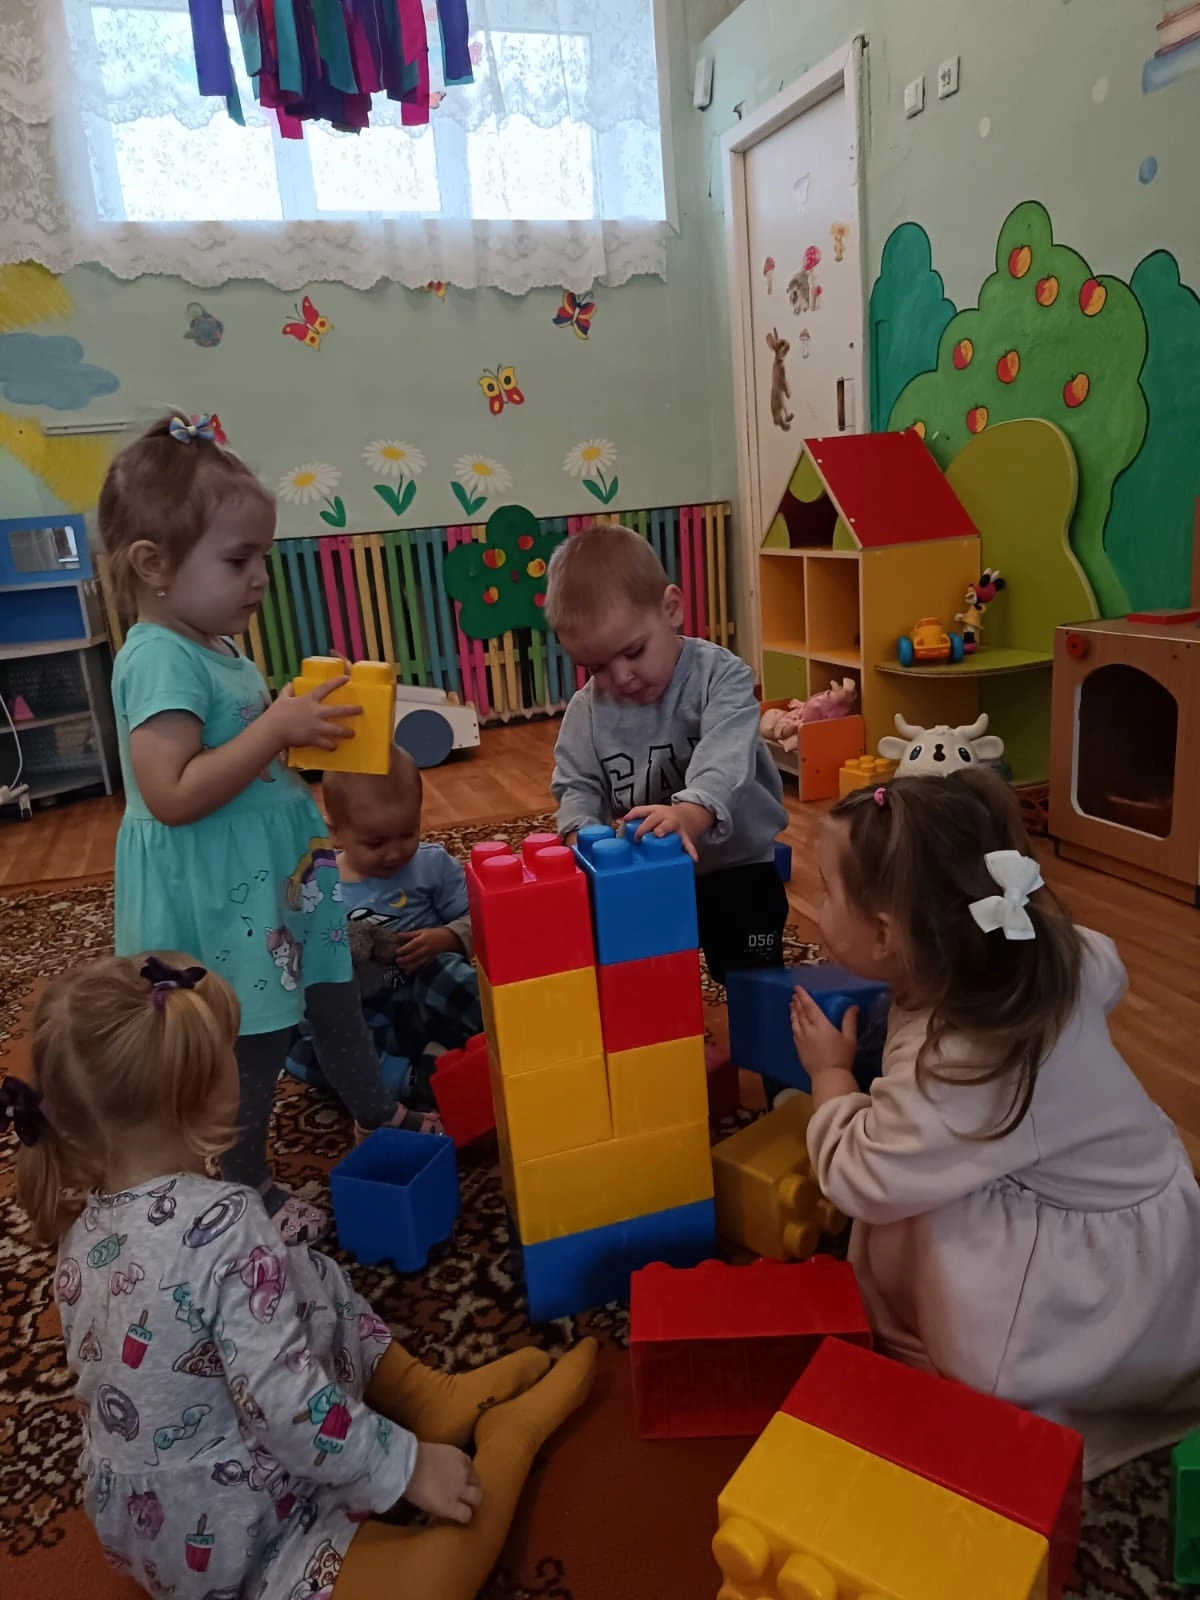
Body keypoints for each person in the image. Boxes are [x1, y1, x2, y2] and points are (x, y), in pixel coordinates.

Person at [5, 954, 596, 1600]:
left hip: (150, 1527)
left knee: (295, 1269)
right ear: (199, 1090)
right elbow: (282, 1406)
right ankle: (509, 1438)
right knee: (438, 1577)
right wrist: (404, 1470)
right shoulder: (227, 1221)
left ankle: (427, 1396)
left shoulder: (80, 1226)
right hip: (243, 1533)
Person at [790, 768, 1200, 1480]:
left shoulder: (960, 1065)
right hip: (1153, 1212)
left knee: (925, 1211)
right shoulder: (1047, 949)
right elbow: (1107, 969)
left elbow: (863, 1177)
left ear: (885, 935)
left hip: (1093, 1296)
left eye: (827, 892)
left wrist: (830, 1078)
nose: (817, 904)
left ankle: (1014, 1387)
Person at [98, 413, 420, 1244]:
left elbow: (241, 761)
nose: (260, 579)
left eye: (263, 559)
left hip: (277, 882)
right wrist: (275, 728)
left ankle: (376, 1111)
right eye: (238, 560)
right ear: (153, 565)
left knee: (335, 997)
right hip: (222, 902)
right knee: (253, 1044)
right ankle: (244, 1185)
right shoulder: (157, 656)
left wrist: (301, 736)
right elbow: (170, 792)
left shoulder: (217, 646)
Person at [546, 522, 790, 997]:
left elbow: (724, 758)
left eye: (633, 651)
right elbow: (578, 784)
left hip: (737, 867)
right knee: (645, 980)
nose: (622, 677)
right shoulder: (586, 711)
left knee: (755, 978)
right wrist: (581, 836)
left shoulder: (721, 677)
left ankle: (769, 1040)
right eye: (597, 667)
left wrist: (689, 813)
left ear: (671, 609)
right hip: (646, 871)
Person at [288, 750, 482, 1112]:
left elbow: (481, 918)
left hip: (428, 999)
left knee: (447, 974)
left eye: (407, 834)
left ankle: (503, 1040)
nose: (394, 853)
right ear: (336, 832)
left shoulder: (432, 865)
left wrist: (448, 938)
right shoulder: (319, 887)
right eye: (375, 843)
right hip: (363, 1018)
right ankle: (412, 1078)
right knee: (296, 1043)